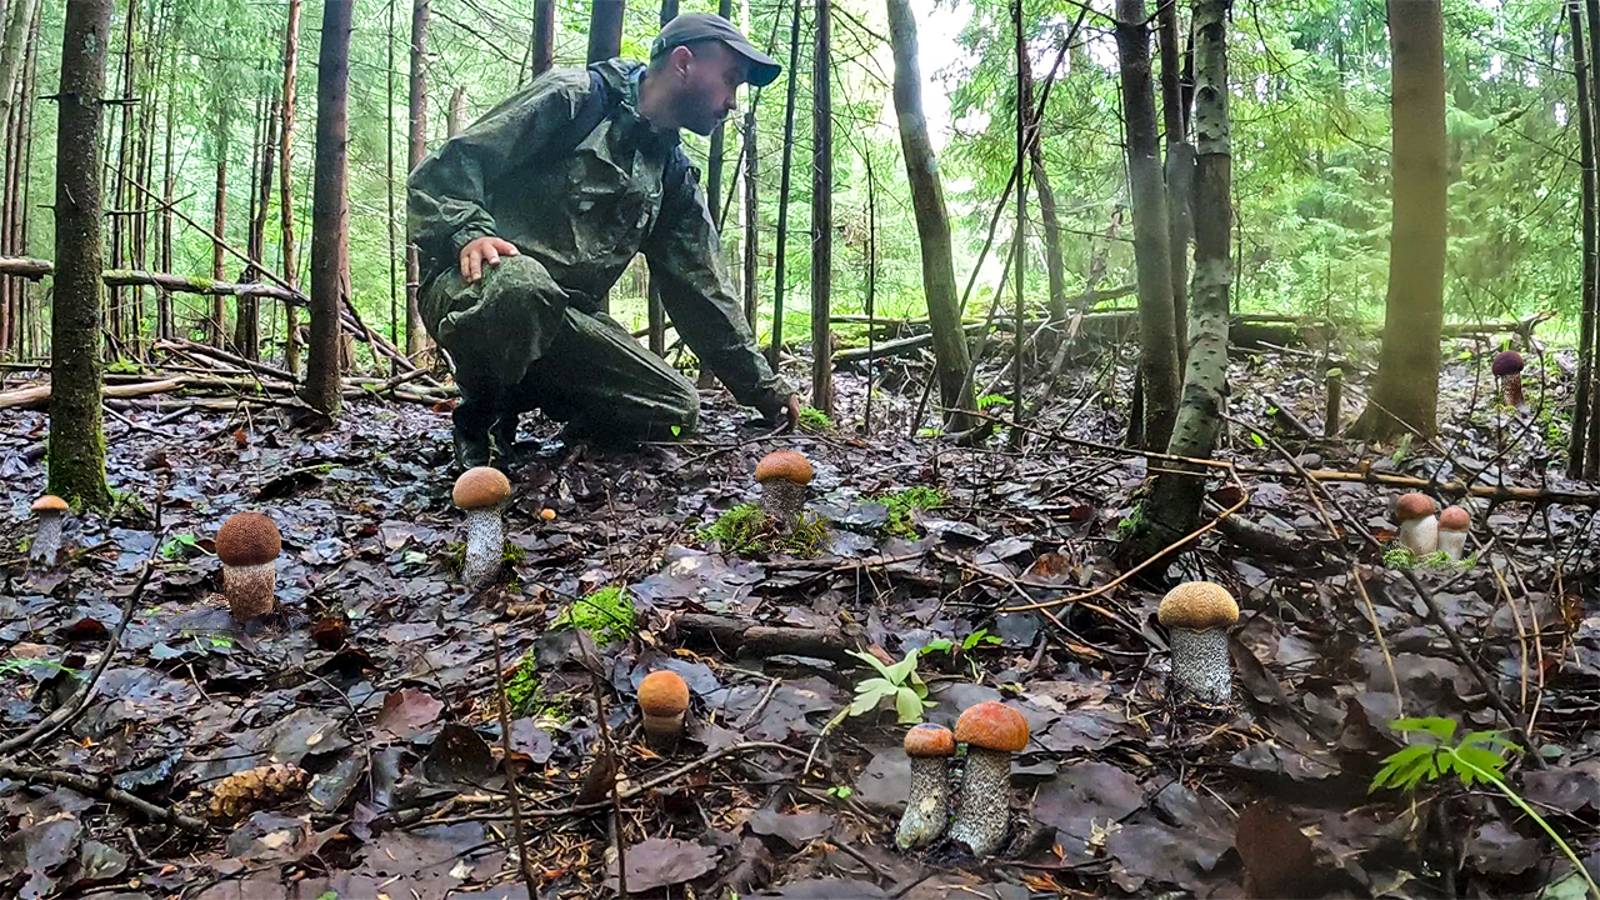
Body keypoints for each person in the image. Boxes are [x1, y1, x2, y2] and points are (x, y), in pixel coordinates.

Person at [408, 13, 801, 470]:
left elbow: (703, 290)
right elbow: (444, 172)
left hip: (565, 320)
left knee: (675, 407)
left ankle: (538, 395)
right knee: (522, 289)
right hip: (475, 289)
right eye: (730, 81)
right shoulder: (573, 99)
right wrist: (468, 232)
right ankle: (482, 424)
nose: (732, 103)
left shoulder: (672, 175)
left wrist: (764, 389)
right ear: (683, 62)